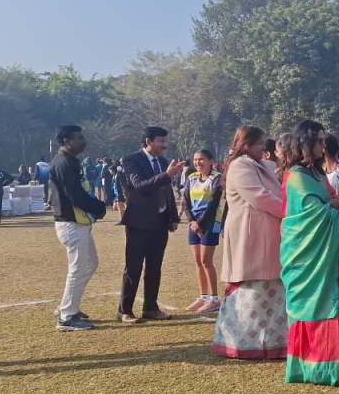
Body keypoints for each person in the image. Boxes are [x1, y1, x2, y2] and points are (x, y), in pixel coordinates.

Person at [280, 120, 339, 386]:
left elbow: (328, 203)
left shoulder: (316, 174)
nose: (323, 146)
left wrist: (336, 208)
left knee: (337, 301)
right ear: (304, 143)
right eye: (318, 141)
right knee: (316, 305)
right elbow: (313, 214)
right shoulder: (296, 176)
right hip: (307, 255)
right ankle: (315, 368)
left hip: (326, 252)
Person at [214, 127, 287, 359]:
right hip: (249, 236)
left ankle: (275, 342)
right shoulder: (240, 166)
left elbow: (279, 182)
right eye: (259, 144)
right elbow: (260, 197)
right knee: (250, 286)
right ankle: (243, 343)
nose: (264, 148)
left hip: (268, 232)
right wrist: (290, 212)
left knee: (273, 286)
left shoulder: (263, 165)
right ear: (246, 146)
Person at [118, 126, 185, 323]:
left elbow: (167, 191)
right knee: (133, 267)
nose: (165, 145)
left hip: (160, 223)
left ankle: (150, 308)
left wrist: (173, 216)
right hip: (139, 223)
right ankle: (125, 310)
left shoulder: (163, 162)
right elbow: (139, 186)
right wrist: (167, 175)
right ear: (148, 141)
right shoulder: (131, 160)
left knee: (155, 267)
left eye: (165, 141)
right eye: (161, 141)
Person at [49, 125, 107, 332]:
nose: (83, 141)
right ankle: (66, 317)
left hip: (77, 222)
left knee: (90, 264)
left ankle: (68, 306)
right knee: (78, 268)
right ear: (67, 141)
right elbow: (74, 195)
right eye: (79, 138)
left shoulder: (70, 161)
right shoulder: (63, 163)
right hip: (70, 223)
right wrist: (99, 207)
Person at [182, 149, 224, 314]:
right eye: (195, 159)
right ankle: (203, 296)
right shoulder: (191, 177)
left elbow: (213, 204)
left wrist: (199, 223)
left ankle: (214, 299)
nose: (198, 162)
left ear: (210, 161)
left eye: (201, 159)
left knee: (206, 260)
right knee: (198, 261)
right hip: (194, 223)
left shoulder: (217, 178)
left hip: (210, 222)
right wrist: (192, 221)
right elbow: (185, 202)